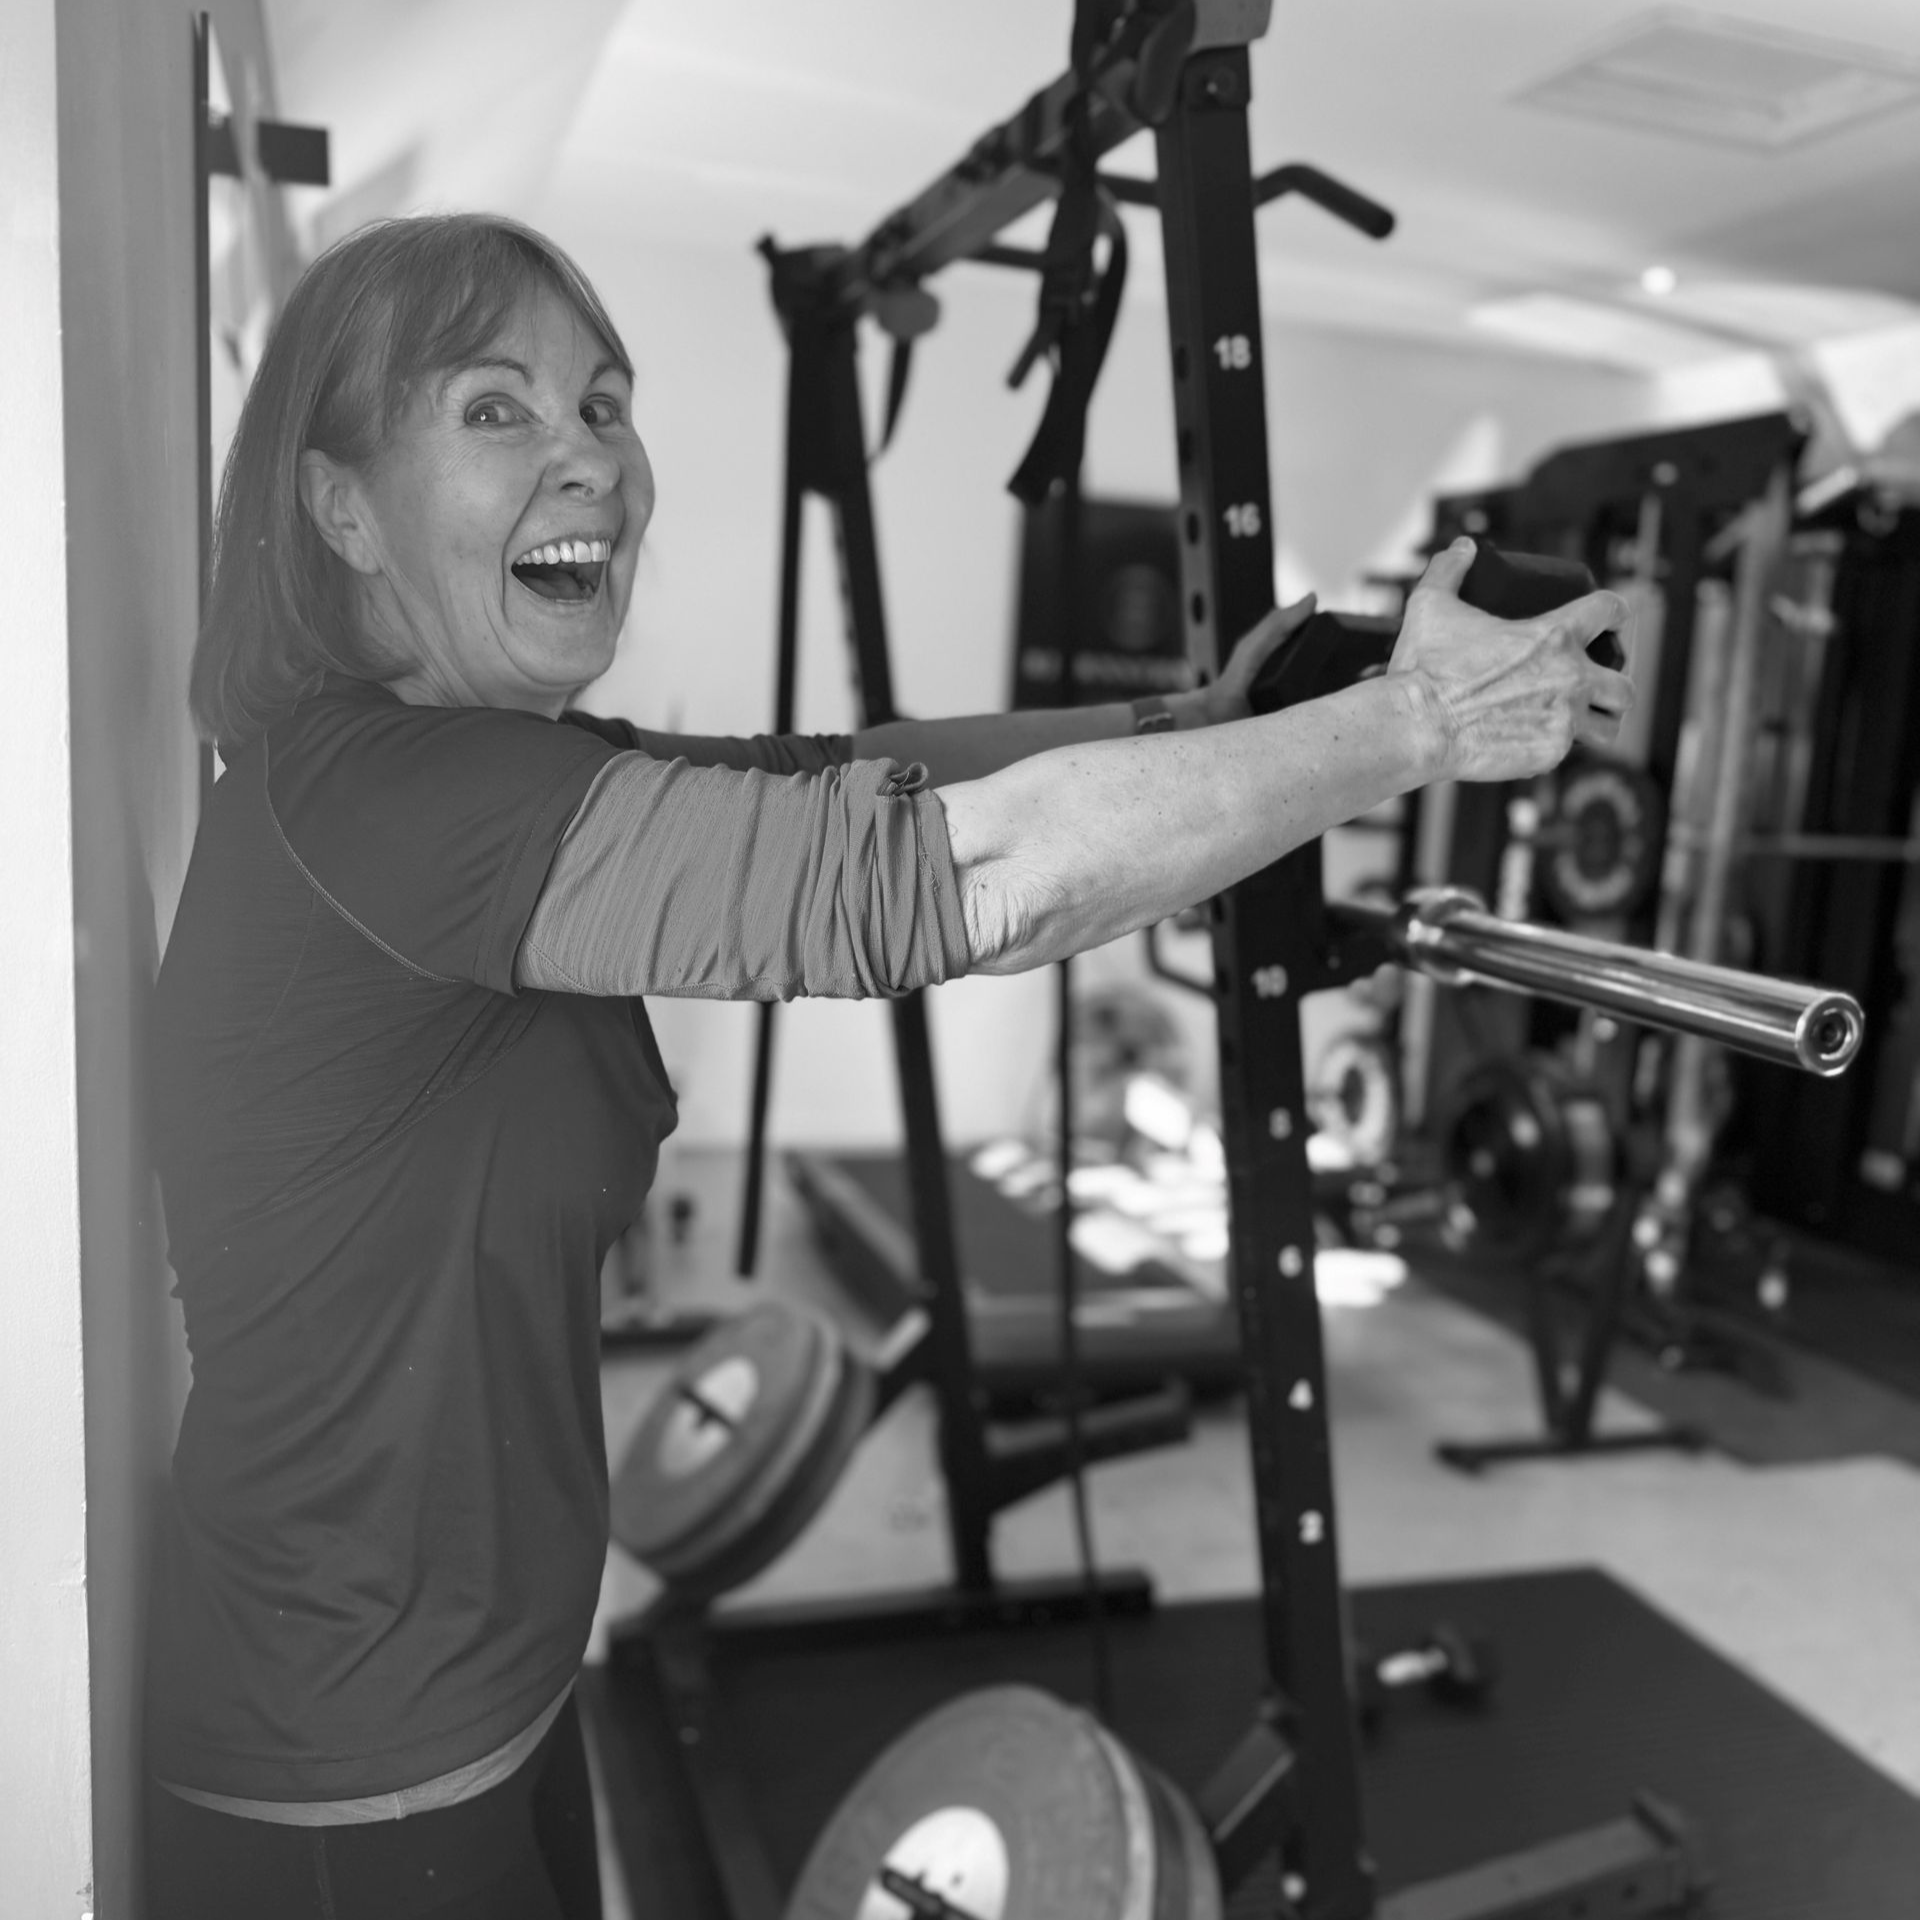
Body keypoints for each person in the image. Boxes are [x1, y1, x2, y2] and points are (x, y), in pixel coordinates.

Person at [146, 212, 1630, 1919]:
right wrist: (1411, 729)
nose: (592, 463)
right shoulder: (393, 799)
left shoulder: (471, 769)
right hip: (348, 1775)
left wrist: (1192, 723)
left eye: (606, 408)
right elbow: (964, 880)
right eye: (496, 411)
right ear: (341, 505)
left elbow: (849, 769)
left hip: (457, 1693)